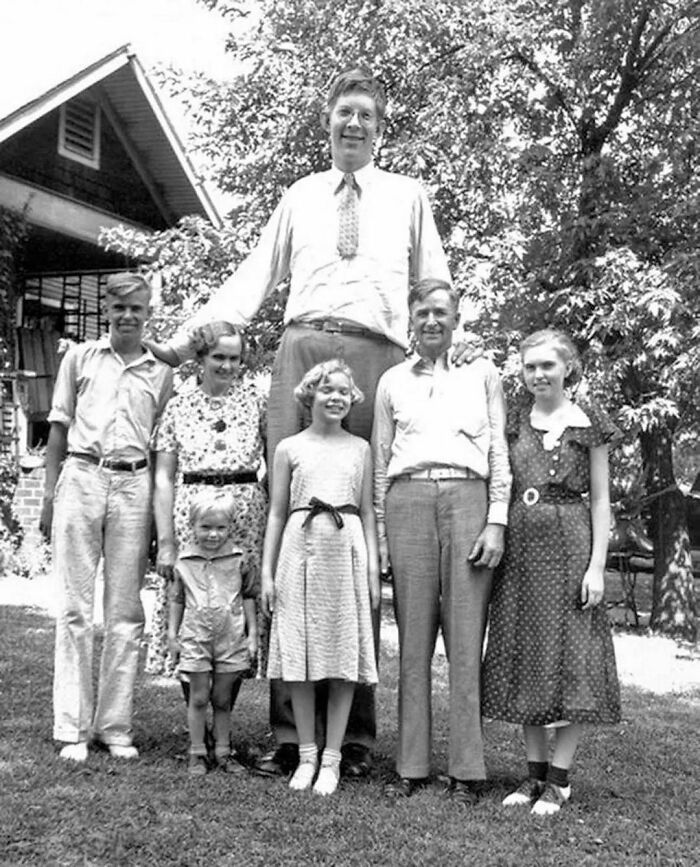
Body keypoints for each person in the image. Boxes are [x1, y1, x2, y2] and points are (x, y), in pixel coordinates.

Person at [148, 66, 460, 778]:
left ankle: (354, 736)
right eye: (343, 113)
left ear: (381, 127)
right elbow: (253, 278)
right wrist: (189, 337)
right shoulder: (299, 196)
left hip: (377, 350)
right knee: (293, 524)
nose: (353, 125)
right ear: (327, 123)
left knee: (360, 519)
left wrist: (446, 354)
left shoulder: (408, 196)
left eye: (366, 116)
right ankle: (292, 732)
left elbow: (434, 282)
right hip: (302, 345)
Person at [372, 279, 511, 803]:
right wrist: (383, 536)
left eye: (440, 312)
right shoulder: (391, 381)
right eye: (422, 313)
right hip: (407, 500)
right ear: (410, 320)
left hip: (468, 498)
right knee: (412, 639)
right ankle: (411, 766)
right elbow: (381, 462)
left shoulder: (483, 372)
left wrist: (496, 519)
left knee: (464, 636)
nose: (431, 321)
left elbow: (498, 450)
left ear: (456, 318)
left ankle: (468, 770)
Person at [481, 329, 621, 816]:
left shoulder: (589, 420)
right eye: (529, 367)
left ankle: (560, 780)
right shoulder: (514, 417)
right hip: (520, 550)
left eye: (547, 365)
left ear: (568, 368)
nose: (538, 374)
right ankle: (533, 774)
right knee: (526, 655)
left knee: (572, 658)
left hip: (572, 546)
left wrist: (597, 566)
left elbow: (602, 498)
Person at [39, 273, 173, 761]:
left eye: (137, 308)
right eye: (119, 308)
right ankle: (72, 727)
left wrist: (163, 519)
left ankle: (114, 726)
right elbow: (58, 427)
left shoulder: (160, 371)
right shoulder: (80, 359)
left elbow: (163, 449)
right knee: (74, 607)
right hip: (82, 475)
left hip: (135, 483)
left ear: (148, 312)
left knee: (125, 611)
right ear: (107, 311)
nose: (128, 316)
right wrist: (51, 495)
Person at [261, 360, 380, 796]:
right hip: (299, 551)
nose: (335, 397)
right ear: (310, 393)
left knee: (342, 658)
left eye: (344, 392)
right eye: (327, 389)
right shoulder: (289, 448)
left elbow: (367, 511)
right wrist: (268, 571)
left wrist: (371, 569)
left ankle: (332, 759)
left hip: (345, 554)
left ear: (352, 400)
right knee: (300, 658)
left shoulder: (360, 448)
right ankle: (307, 754)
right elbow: (276, 512)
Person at [147, 322, 267, 683]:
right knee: (194, 604)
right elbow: (163, 477)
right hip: (192, 513)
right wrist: (166, 542)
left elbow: (276, 462)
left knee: (235, 604)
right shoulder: (179, 405)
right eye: (218, 357)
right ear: (200, 358)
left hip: (245, 516)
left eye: (234, 358)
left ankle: (224, 716)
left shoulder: (255, 402)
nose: (227, 366)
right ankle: (198, 714)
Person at [168, 491, 258, 776]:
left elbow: (248, 597)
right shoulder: (183, 563)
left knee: (222, 698)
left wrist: (252, 633)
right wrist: (173, 635)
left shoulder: (240, 560)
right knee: (198, 697)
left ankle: (223, 750)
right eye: (205, 527)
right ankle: (197, 751)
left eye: (220, 527)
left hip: (230, 637)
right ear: (192, 525)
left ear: (231, 526)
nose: (213, 534)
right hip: (196, 638)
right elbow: (177, 600)